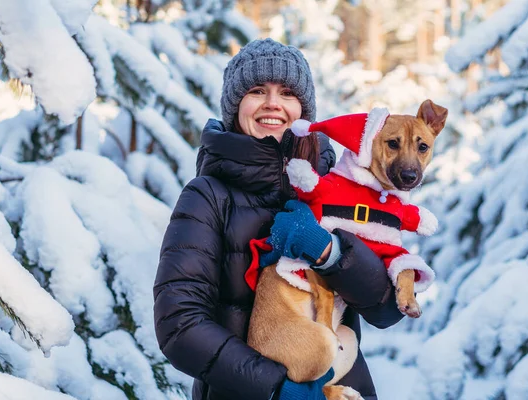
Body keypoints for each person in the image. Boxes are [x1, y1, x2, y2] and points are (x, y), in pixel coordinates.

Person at [153, 38, 404, 400]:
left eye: (287, 92)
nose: (273, 103)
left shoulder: (341, 185)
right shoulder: (208, 196)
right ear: (236, 105)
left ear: (303, 109)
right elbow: (179, 324)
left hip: (345, 387)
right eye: (257, 90)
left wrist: (331, 253)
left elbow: (386, 309)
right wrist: (276, 389)